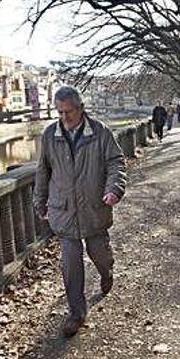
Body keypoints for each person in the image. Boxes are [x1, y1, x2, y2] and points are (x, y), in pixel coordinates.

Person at [34, 86, 127, 337]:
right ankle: (77, 314)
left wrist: (114, 189)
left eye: (69, 112)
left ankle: (107, 272)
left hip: (94, 209)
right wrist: (39, 202)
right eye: (59, 112)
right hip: (63, 211)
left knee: (100, 254)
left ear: (81, 108)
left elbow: (116, 162)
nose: (64, 118)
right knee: (70, 265)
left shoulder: (100, 132)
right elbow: (43, 171)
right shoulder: (50, 135)